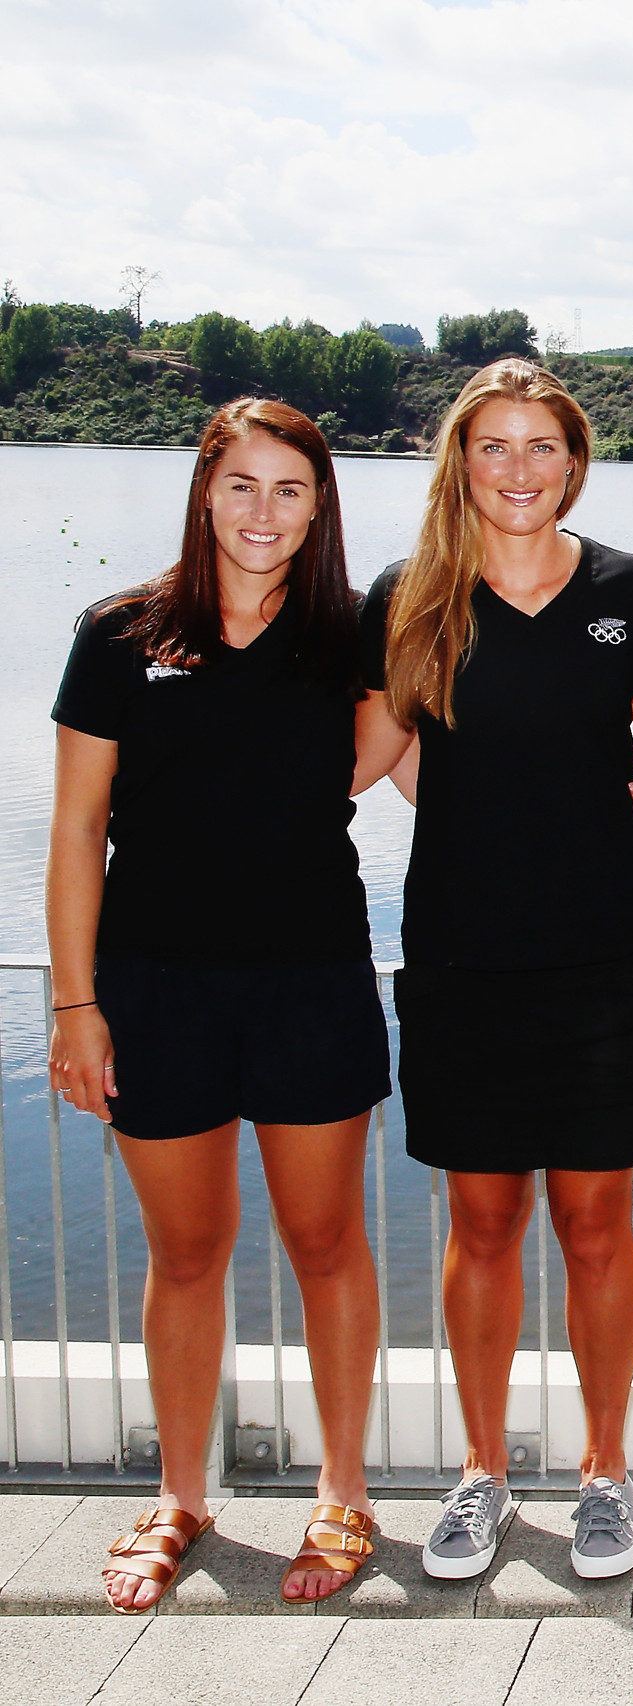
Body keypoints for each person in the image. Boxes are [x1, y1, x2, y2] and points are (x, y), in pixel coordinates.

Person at [54, 399, 388, 1609]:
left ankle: (342, 1489)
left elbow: (413, 754)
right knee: (186, 1251)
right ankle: (181, 1492)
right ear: (204, 490)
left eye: (290, 489)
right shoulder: (120, 632)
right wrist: (77, 1005)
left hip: (311, 983)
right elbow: (76, 829)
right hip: (155, 991)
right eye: (241, 484)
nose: (263, 511)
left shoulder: (351, 635)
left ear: (319, 506)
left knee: (325, 1241)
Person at [361, 359, 633, 1587]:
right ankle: (483, 1469)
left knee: (596, 1226)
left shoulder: (629, 589)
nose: (519, 469)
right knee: (483, 1225)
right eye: (493, 445)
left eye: (542, 445)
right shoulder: (410, 595)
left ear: (575, 461)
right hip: (461, 959)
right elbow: (364, 751)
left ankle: (605, 1472)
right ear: (461, 460)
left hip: (604, 962)